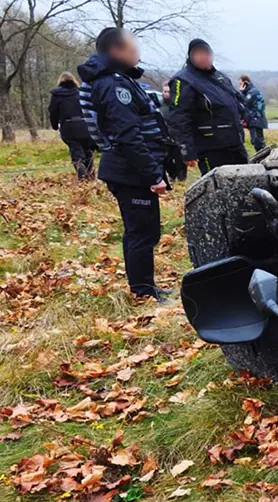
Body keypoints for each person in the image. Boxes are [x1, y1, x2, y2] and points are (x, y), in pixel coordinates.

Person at [77, 27, 170, 302]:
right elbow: (127, 135)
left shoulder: (117, 79)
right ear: (117, 50)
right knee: (142, 232)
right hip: (129, 171)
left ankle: (145, 286)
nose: (138, 51)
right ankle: (143, 292)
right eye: (134, 45)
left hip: (129, 169)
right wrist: (153, 174)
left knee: (143, 230)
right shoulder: (113, 84)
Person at [167, 39, 248, 175]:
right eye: (198, 54)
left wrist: (246, 117)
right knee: (219, 189)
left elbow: (237, 101)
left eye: (206, 53)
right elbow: (179, 117)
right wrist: (187, 150)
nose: (204, 57)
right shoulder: (183, 80)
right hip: (210, 147)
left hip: (234, 143)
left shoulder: (220, 77)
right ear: (191, 57)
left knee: (246, 180)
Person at [48, 72, 95, 180]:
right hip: (85, 125)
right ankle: (91, 177)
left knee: (76, 151)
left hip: (68, 127)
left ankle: (82, 176)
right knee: (87, 151)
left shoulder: (57, 96)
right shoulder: (81, 93)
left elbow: (53, 112)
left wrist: (55, 125)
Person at [238, 75, 268, 152]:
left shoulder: (253, 92)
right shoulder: (248, 92)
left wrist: (241, 92)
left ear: (245, 83)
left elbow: (244, 102)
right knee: (255, 140)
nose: (239, 86)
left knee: (257, 141)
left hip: (256, 119)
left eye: (240, 83)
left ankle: (262, 156)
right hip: (253, 119)